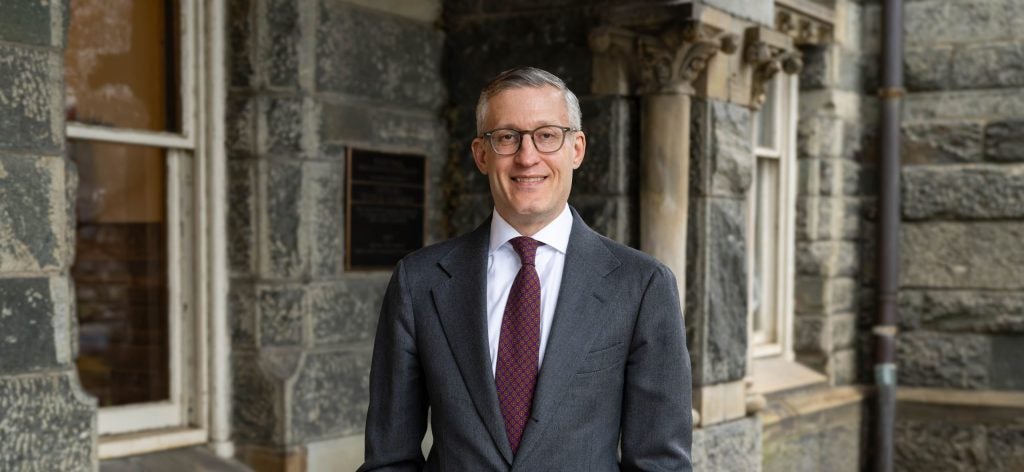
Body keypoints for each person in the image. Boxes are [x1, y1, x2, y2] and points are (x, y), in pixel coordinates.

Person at [358, 67, 692, 471]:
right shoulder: (420, 281)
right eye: (506, 137)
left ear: (577, 148)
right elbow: (389, 459)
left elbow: (660, 464)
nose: (527, 156)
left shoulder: (641, 286)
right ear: (481, 154)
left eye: (547, 135)